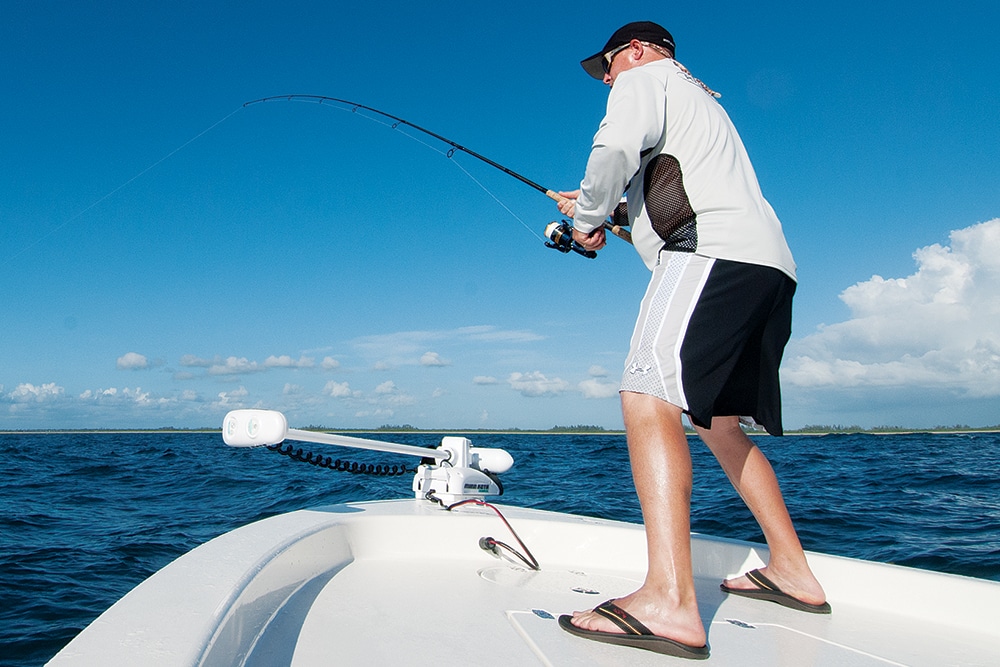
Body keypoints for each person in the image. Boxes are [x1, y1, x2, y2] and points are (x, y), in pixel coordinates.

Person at [555, 21, 828, 659]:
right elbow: (671, 194)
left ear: (638, 51)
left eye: (609, 67)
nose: (609, 79)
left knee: (646, 396)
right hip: (766, 268)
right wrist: (608, 216)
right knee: (719, 425)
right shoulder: (700, 105)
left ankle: (670, 601)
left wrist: (589, 217)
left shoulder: (644, 78)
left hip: (709, 256)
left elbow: (616, 147)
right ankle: (791, 568)